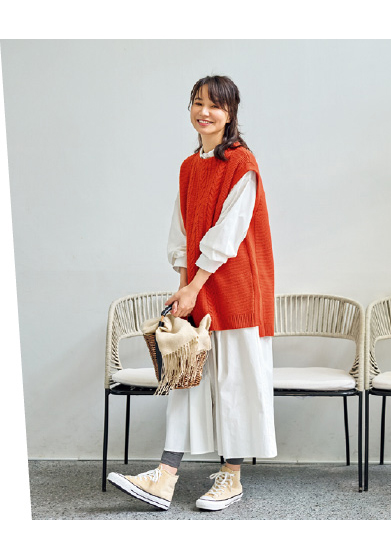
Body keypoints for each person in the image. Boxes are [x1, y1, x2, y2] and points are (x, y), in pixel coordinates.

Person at [108, 75, 276, 511]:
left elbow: (228, 234)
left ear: (230, 113)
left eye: (215, 105)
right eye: (198, 103)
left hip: (237, 289)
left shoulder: (242, 164)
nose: (205, 112)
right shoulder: (189, 166)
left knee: (235, 382)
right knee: (185, 377)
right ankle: (164, 477)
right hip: (198, 286)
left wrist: (194, 285)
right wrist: (185, 287)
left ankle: (231, 478)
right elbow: (182, 231)